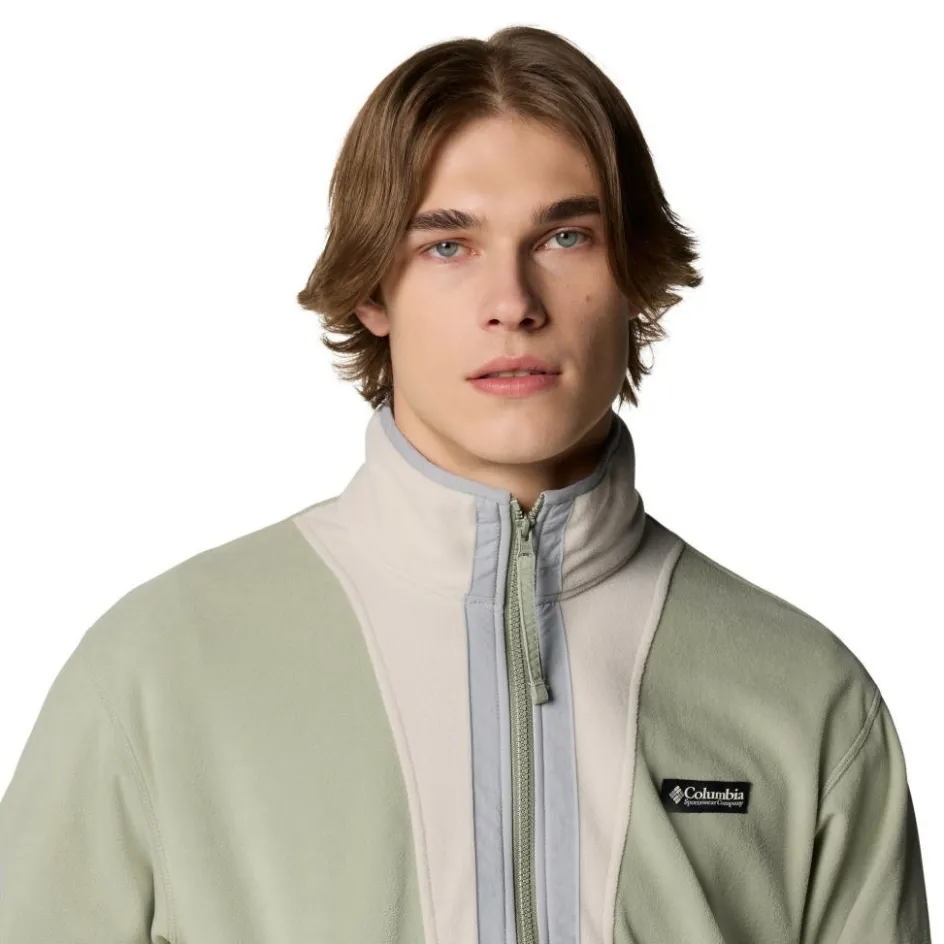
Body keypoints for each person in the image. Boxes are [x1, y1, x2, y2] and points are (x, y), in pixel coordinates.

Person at [0, 24, 932, 944]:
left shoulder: (805, 695)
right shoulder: (158, 671)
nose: (513, 303)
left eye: (565, 236)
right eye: (448, 246)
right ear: (373, 289)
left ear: (635, 275)